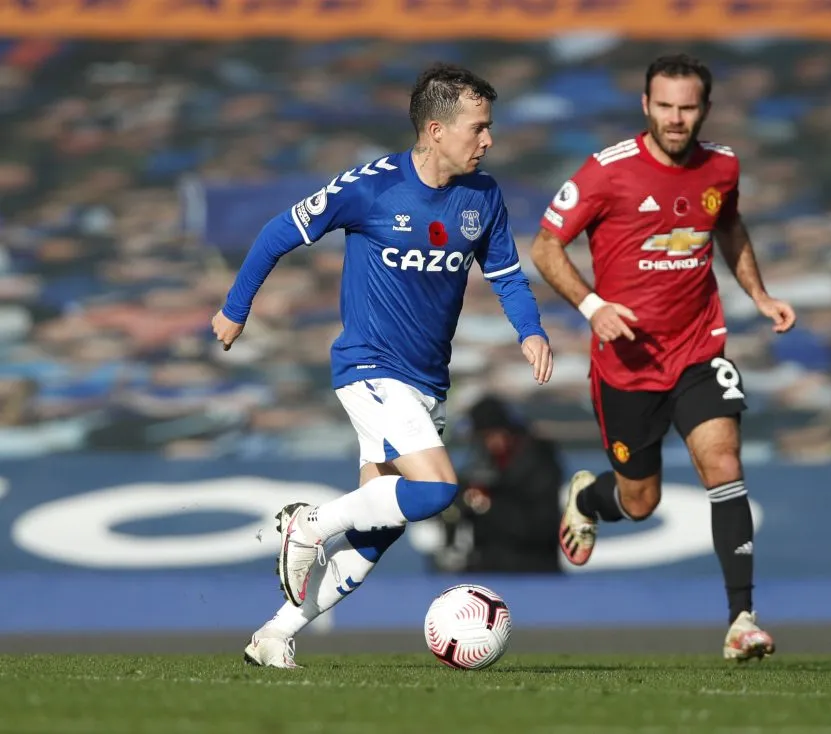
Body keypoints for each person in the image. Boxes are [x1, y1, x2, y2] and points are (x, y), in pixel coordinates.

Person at [211, 63, 554, 668]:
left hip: (427, 383)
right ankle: (310, 524)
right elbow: (277, 232)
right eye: (478, 128)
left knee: (375, 534)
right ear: (435, 129)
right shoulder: (371, 187)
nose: (488, 140)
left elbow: (505, 274)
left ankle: (273, 634)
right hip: (370, 368)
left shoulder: (485, 196)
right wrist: (235, 309)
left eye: (490, 127)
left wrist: (530, 331)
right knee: (437, 488)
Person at [529, 53, 796, 662]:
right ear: (646, 105)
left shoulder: (723, 165)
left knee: (723, 464)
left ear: (704, 108)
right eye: (666, 106)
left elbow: (728, 226)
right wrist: (594, 305)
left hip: (699, 348)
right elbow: (546, 247)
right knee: (639, 500)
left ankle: (741, 620)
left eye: (689, 107)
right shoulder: (607, 171)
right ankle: (589, 499)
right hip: (626, 365)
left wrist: (758, 293)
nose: (677, 119)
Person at [431, 395, 563, 574]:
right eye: (482, 437)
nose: (489, 443)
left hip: (534, 571)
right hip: (491, 569)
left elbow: (541, 527)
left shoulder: (539, 464)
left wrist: (487, 505)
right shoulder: (485, 463)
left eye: (492, 434)